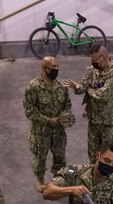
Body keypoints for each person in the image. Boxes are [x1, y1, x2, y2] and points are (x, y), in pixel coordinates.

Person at [63, 45, 113, 164]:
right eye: (92, 60)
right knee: (94, 155)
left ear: (104, 57)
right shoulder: (91, 70)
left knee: (112, 156)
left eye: (95, 60)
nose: (93, 63)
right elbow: (82, 87)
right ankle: (95, 180)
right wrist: (76, 86)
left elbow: (102, 96)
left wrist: (89, 90)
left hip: (110, 122)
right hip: (94, 120)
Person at [23, 56, 75, 192]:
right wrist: (47, 120)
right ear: (44, 68)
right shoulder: (33, 87)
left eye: (57, 67)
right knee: (40, 156)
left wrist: (63, 117)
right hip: (41, 131)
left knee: (60, 155)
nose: (56, 70)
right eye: (53, 68)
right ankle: (40, 178)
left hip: (58, 130)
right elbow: (29, 111)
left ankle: (58, 178)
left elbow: (67, 105)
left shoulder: (61, 87)